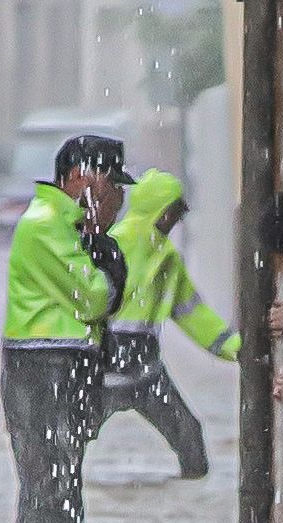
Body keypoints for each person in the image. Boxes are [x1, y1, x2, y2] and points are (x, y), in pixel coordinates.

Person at [0, 134, 134, 523]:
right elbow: (95, 298)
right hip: (42, 368)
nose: (118, 197)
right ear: (80, 177)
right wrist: (104, 252)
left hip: (65, 368)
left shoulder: (73, 229)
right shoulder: (45, 226)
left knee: (62, 486)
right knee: (48, 487)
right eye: (110, 183)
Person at [101, 170, 242, 479]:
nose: (177, 221)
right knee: (71, 437)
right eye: (174, 212)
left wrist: (236, 349)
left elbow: (193, 314)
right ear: (160, 210)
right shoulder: (113, 245)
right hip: (104, 366)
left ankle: (193, 483)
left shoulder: (166, 259)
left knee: (188, 433)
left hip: (145, 368)